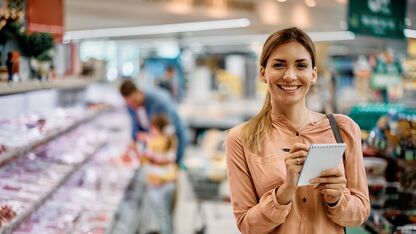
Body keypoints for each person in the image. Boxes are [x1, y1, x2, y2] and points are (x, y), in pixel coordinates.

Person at [225, 27, 370, 234]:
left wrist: (336, 198)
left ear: (313, 75)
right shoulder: (241, 139)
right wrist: (285, 192)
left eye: (301, 65)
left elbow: (361, 212)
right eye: (279, 65)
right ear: (263, 73)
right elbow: (247, 226)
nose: (290, 76)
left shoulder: (343, 129)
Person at [119, 79, 187, 165]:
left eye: (133, 101)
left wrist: (149, 138)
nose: (132, 105)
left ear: (139, 92)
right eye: (129, 104)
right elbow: (135, 130)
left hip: (170, 147)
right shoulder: (131, 107)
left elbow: (169, 133)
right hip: (153, 150)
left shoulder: (159, 102)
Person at [139, 114, 178, 234]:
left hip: (161, 183)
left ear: (157, 128)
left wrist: (147, 155)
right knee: (165, 215)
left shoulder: (159, 140)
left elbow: (153, 159)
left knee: (162, 215)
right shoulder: (170, 139)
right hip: (166, 181)